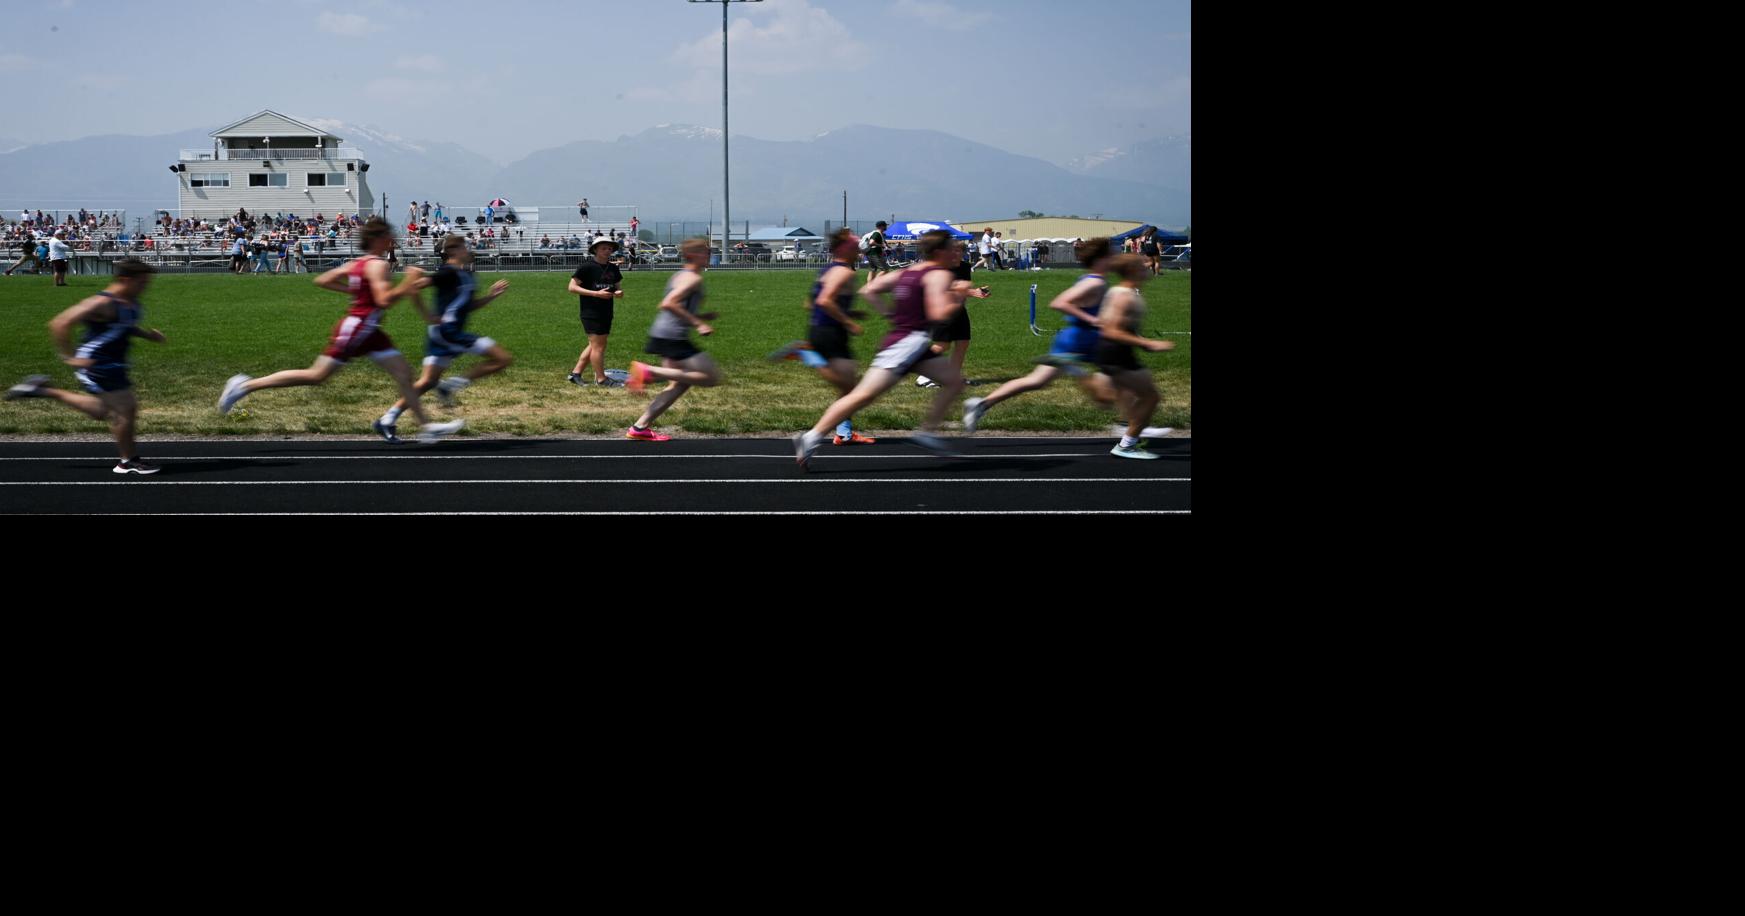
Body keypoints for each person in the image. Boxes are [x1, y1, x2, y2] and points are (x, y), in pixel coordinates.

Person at [216, 216, 464, 444]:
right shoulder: (378, 265)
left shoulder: (359, 263)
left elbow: (323, 280)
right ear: (378, 239)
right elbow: (384, 301)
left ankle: (425, 427)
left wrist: (353, 292)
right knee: (316, 375)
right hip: (358, 328)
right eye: (390, 235)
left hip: (370, 330)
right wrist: (408, 283)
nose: (394, 240)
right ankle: (244, 386)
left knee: (404, 374)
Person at [793, 229, 969, 469]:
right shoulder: (938, 275)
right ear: (939, 251)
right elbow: (938, 314)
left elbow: (869, 290)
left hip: (913, 343)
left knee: (954, 381)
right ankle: (811, 437)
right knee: (862, 395)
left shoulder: (909, 270)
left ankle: (927, 432)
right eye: (951, 249)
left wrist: (889, 314)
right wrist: (958, 297)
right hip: (906, 345)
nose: (955, 253)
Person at [4, 258, 168, 474]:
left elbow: (125, 325)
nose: (145, 287)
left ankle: (40, 389)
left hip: (113, 362)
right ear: (124, 279)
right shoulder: (101, 303)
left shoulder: (130, 300)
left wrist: (148, 335)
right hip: (96, 362)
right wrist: (69, 357)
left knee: (102, 410)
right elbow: (60, 323)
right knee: (125, 408)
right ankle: (127, 462)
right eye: (142, 283)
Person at [961, 237, 1139, 436]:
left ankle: (981, 405)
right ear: (1100, 259)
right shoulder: (1095, 283)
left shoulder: (1095, 280)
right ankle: (1130, 427)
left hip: (1082, 341)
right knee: (1123, 379)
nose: (1114, 259)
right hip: (1078, 341)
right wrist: (1093, 320)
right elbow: (1060, 303)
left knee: (1037, 381)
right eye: (1110, 256)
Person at [375, 235, 513, 438]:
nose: (468, 250)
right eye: (464, 247)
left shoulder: (467, 276)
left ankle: (387, 419)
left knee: (427, 382)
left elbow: (467, 307)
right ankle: (450, 386)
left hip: (444, 333)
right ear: (453, 251)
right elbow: (414, 286)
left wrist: (490, 297)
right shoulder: (447, 272)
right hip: (448, 332)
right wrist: (427, 315)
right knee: (503, 358)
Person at [772, 228, 876, 445]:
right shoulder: (844, 272)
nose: (857, 247)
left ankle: (844, 433)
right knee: (853, 390)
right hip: (829, 333)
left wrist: (849, 313)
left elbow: (810, 303)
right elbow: (824, 301)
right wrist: (848, 322)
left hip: (824, 330)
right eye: (853, 244)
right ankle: (804, 353)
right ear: (842, 248)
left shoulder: (828, 269)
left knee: (849, 389)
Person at [622, 238, 722, 440]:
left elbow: (678, 308)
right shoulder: (693, 278)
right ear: (692, 255)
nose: (709, 255)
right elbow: (668, 304)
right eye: (705, 252)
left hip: (664, 333)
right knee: (712, 377)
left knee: (678, 382)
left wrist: (701, 317)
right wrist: (698, 323)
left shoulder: (681, 275)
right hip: (673, 336)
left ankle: (639, 428)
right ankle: (648, 372)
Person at [1095, 254, 1175, 458]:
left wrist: (1140, 340)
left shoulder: (1126, 292)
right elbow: (1110, 331)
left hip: (1119, 352)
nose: (1148, 267)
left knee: (1142, 395)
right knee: (1150, 397)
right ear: (1132, 271)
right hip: (1114, 353)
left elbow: (1119, 326)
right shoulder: (1124, 296)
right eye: (1143, 266)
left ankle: (1131, 430)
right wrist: (1148, 343)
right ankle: (1127, 443)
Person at [915, 239, 990, 389]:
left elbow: (962, 290)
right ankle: (922, 376)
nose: (956, 253)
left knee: (963, 343)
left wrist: (978, 292)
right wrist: (971, 291)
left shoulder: (964, 267)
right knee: (942, 345)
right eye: (952, 250)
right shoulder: (940, 268)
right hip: (941, 310)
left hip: (959, 310)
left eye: (959, 250)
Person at [567, 236, 625, 388]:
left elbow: (618, 288)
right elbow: (572, 287)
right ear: (595, 250)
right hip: (590, 311)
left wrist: (618, 293)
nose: (607, 251)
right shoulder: (587, 267)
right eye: (604, 248)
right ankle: (602, 379)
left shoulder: (613, 268)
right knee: (598, 346)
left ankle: (576, 374)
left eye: (610, 248)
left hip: (606, 310)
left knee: (596, 344)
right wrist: (596, 294)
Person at [862, 220, 891, 284]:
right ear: (881, 226)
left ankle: (869, 286)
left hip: (870, 254)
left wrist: (886, 246)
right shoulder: (877, 233)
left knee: (872, 270)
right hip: (875, 254)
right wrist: (881, 245)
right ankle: (874, 283)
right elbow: (871, 242)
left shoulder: (878, 233)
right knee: (885, 270)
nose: (886, 227)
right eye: (885, 225)